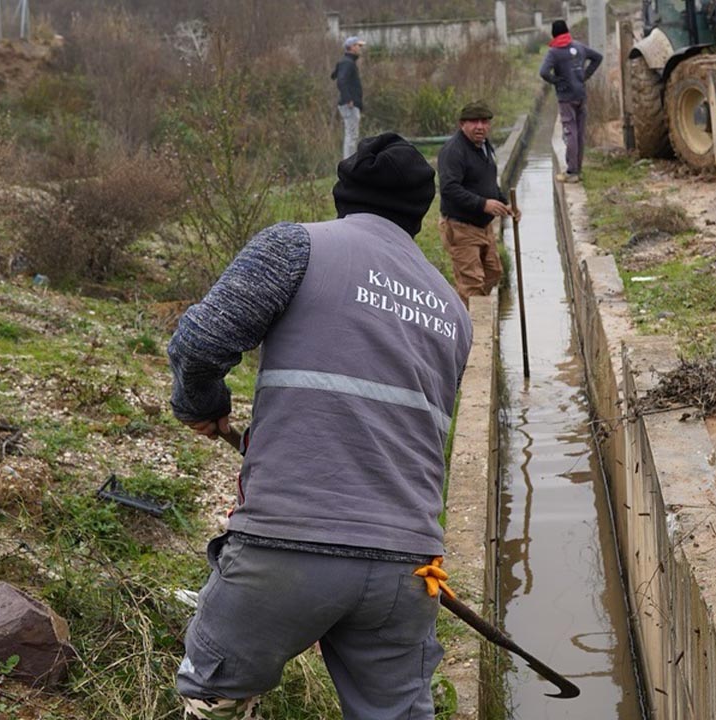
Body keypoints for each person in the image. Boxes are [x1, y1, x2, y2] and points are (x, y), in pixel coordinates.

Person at [169, 133, 473, 720]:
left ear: (343, 195)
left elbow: (200, 343)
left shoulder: (296, 246)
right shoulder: (451, 307)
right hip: (408, 566)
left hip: (288, 545)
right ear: (420, 211)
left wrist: (200, 405)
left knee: (217, 701)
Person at [436, 101, 520, 305]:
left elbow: (488, 182)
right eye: (474, 122)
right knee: (472, 283)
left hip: (483, 226)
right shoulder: (454, 151)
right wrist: (483, 204)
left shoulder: (484, 147)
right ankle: (470, 328)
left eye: (484, 122)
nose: (480, 127)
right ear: (462, 124)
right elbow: (449, 188)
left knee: (493, 271)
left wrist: (504, 204)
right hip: (461, 226)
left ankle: (464, 309)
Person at [539, 20, 603, 183]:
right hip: (581, 95)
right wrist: (585, 75)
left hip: (566, 98)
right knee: (580, 132)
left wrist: (556, 81)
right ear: (567, 31)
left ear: (554, 34)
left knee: (570, 133)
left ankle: (572, 172)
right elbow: (597, 57)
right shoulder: (579, 47)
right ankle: (578, 170)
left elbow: (543, 72)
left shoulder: (554, 52)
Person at [332, 36, 366, 160]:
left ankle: (349, 163)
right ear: (351, 47)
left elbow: (335, 75)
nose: (360, 48)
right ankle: (349, 164)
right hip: (350, 105)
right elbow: (341, 81)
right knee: (352, 136)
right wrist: (348, 99)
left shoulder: (346, 62)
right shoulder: (347, 62)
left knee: (352, 135)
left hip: (350, 104)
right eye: (358, 46)